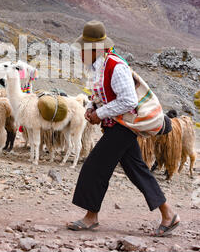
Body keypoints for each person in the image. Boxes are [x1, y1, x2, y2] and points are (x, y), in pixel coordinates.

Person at [67, 20, 180, 237]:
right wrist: (91, 108)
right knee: (136, 169)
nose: (80, 53)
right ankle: (169, 215)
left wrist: (99, 114)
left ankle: (91, 218)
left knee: (95, 167)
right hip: (116, 125)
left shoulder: (116, 66)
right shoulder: (99, 67)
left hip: (124, 126)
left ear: (95, 49)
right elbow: (101, 95)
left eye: (83, 49)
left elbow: (128, 101)